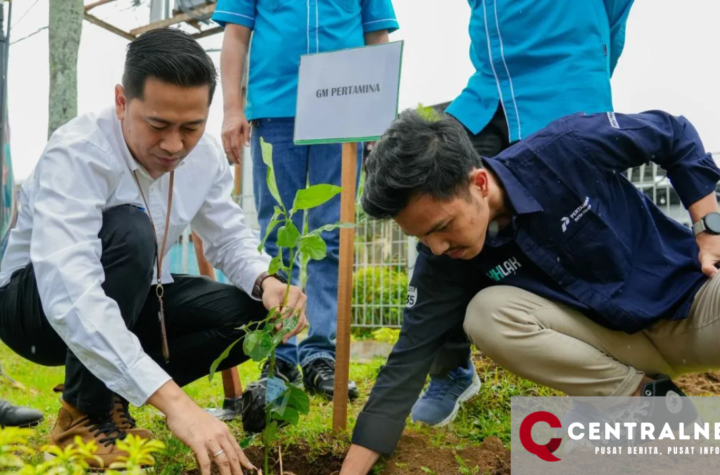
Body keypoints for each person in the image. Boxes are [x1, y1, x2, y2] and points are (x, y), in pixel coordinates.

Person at [340, 109, 720, 473]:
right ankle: (646, 403)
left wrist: (709, 228)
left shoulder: (564, 148)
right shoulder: (444, 259)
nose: (436, 246)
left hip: (695, 307)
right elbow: (409, 356)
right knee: (489, 313)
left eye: (442, 226)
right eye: (421, 236)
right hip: (622, 351)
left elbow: (671, 132)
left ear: (479, 183)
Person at [0, 28, 307, 474]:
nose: (174, 146)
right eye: (158, 125)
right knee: (129, 229)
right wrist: (179, 406)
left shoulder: (202, 156)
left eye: (192, 127)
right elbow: (71, 294)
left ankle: (117, 395)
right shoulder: (78, 154)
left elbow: (227, 236)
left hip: (136, 294)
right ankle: (84, 415)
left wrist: (267, 281)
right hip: (35, 310)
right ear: (122, 101)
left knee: (255, 316)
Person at [412, 0, 635, 427]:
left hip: (566, 87)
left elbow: (615, 14)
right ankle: (450, 367)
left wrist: (588, 66)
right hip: (489, 94)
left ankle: (602, 381)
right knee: (433, 192)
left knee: (583, 236)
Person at [213, 0, 399, 398]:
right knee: (279, 233)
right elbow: (236, 34)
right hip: (276, 108)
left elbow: (377, 36)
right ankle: (279, 353)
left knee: (334, 234)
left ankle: (320, 355)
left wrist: (378, 117)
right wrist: (232, 108)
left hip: (344, 107)